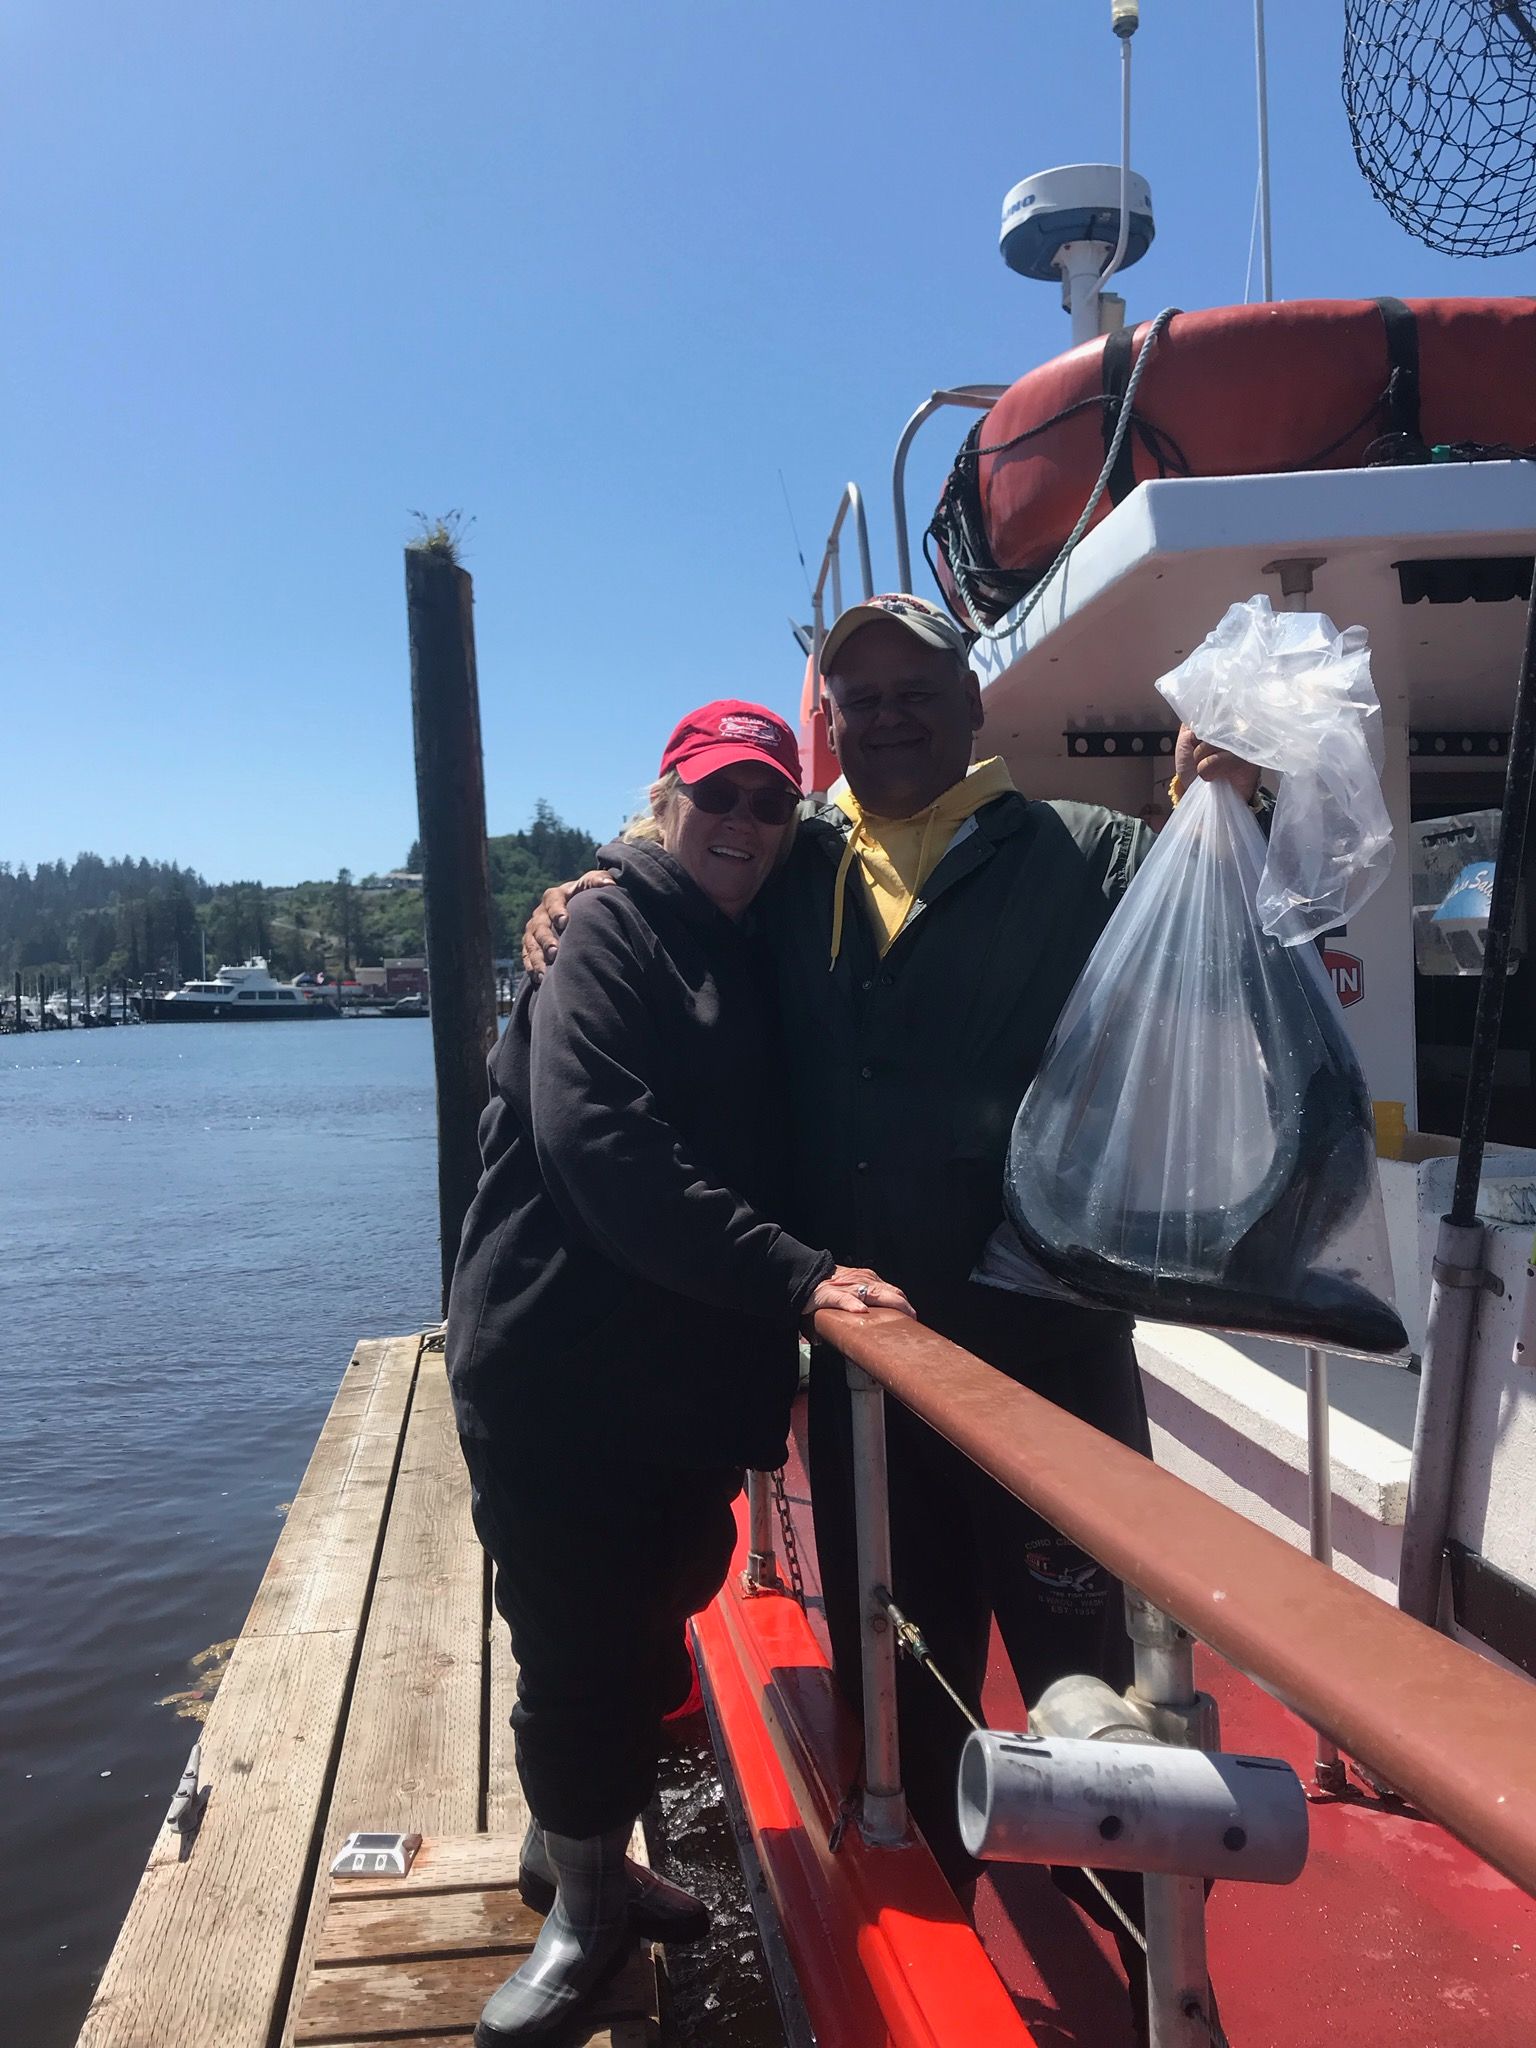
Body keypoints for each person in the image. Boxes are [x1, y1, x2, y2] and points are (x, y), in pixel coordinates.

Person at [523, 596, 1260, 1908]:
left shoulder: (1084, 853)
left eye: (915, 687)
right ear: (830, 725)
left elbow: (1230, 968)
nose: (888, 716)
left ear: (976, 702)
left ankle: (1156, 1953)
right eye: (857, 698)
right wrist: (575, 894)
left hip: (1048, 1356)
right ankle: (936, 1917)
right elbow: (682, 875)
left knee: (1091, 1678)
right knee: (897, 1669)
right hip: (868, 1370)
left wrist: (1229, 816)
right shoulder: (793, 865)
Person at [447, 698, 911, 2047]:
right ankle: (584, 1913)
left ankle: (569, 1844)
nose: (746, 824)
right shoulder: (603, 927)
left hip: (671, 1389)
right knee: (580, 1641)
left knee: (660, 1609)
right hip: (557, 1371)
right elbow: (601, 1147)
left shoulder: (748, 935)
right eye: (719, 796)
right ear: (662, 801)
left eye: (773, 803)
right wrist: (796, 1276)